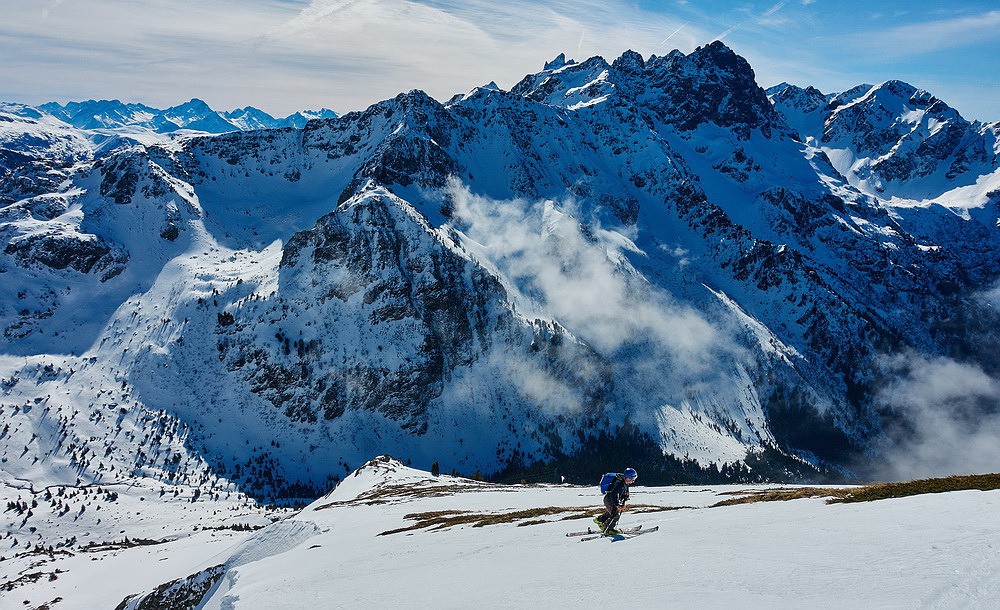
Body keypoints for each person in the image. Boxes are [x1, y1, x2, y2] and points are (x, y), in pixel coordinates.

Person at [594, 467, 637, 535]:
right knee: (615, 514)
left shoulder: (625, 484)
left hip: (611, 499)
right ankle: (609, 530)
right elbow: (613, 494)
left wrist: (625, 497)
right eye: (632, 479)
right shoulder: (619, 483)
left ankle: (600, 520)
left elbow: (624, 493)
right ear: (628, 477)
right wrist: (617, 505)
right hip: (609, 499)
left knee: (612, 512)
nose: (633, 481)